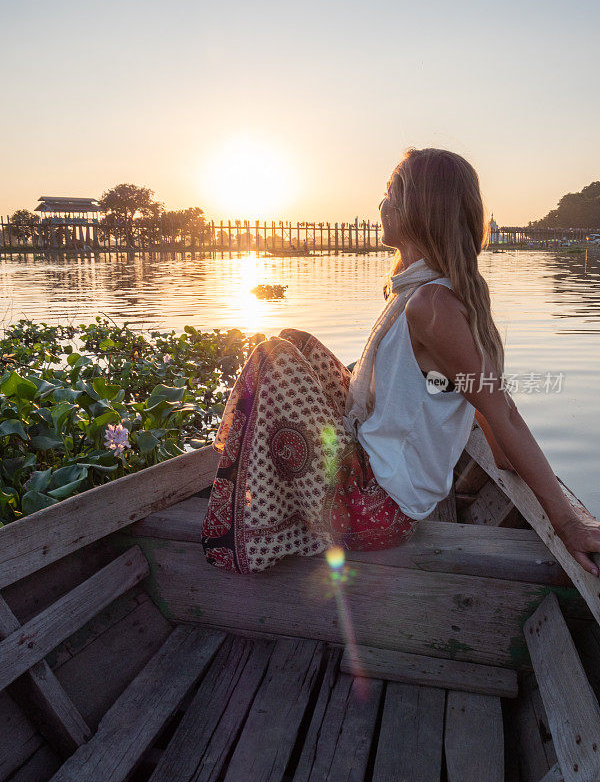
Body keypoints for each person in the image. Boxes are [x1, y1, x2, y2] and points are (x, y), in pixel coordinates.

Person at [201, 146, 600, 576]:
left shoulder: (431, 304)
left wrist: (567, 522)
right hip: (380, 482)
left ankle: (244, 524)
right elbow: (481, 406)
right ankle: (258, 495)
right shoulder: (419, 292)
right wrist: (500, 455)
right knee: (296, 342)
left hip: (381, 506)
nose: (382, 205)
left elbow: (501, 410)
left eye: (391, 195)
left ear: (417, 209)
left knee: (272, 358)